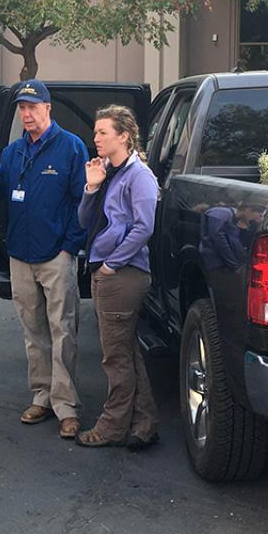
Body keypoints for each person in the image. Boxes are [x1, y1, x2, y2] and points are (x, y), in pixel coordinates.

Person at [0, 79, 89, 440]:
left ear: (48, 108)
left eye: (33, 107)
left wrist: (69, 247)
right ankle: (41, 396)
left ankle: (66, 406)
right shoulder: (13, 152)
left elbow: (83, 203)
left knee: (63, 330)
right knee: (33, 331)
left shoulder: (71, 148)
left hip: (55, 255)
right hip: (20, 254)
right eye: (22, 108)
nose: (26, 114)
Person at [74, 105, 160, 450]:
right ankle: (144, 422)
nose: (95, 138)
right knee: (127, 351)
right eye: (95, 132)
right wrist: (91, 188)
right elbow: (84, 221)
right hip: (104, 269)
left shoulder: (139, 176)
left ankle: (111, 428)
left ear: (124, 136)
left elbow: (144, 227)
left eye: (102, 133)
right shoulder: (109, 172)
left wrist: (112, 263)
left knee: (115, 357)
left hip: (121, 275)